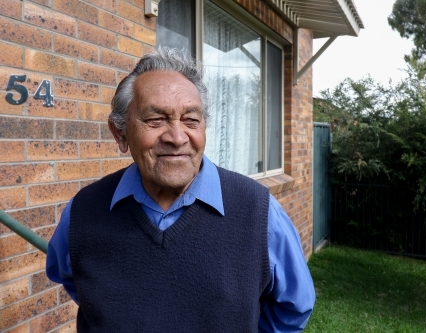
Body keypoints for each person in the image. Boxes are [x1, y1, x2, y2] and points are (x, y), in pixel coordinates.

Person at [46, 47, 315, 332]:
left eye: (191, 120)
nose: (177, 137)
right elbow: (74, 281)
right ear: (120, 133)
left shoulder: (257, 210)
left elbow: (293, 307)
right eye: (155, 120)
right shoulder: (84, 211)